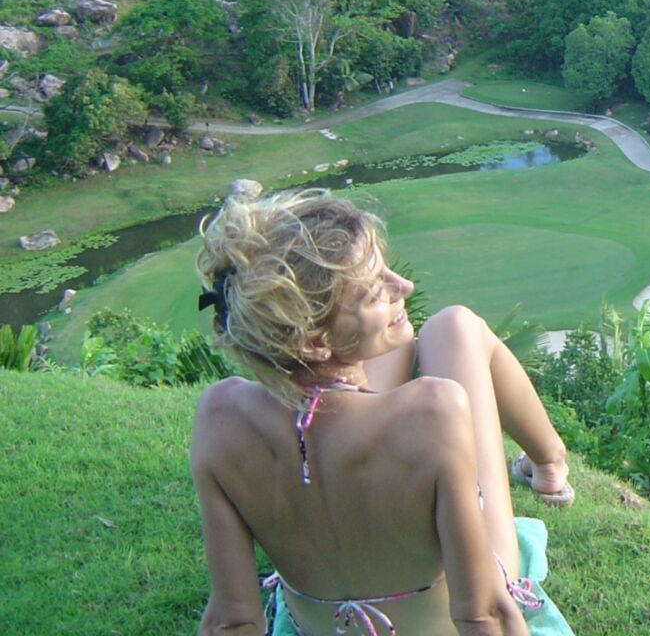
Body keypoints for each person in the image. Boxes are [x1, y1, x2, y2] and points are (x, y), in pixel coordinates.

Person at [190, 189, 575, 636]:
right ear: (314, 340)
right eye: (376, 292)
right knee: (455, 327)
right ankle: (549, 463)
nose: (404, 287)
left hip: (315, 625)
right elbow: (481, 612)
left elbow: (233, 619)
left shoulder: (217, 419)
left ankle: (547, 461)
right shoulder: (434, 411)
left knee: (433, 333)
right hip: (441, 623)